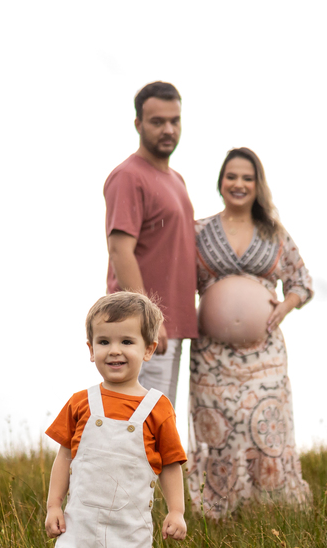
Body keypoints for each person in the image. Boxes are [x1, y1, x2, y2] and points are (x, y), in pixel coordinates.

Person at [41, 292, 188, 548]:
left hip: (128, 534)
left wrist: (177, 510)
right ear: (90, 349)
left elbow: (170, 464)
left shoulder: (157, 407)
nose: (114, 351)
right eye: (104, 342)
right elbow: (64, 457)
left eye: (127, 341)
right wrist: (54, 505)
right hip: (77, 527)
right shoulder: (81, 402)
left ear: (149, 349)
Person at [189, 148, 314, 518]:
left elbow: (302, 281)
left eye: (247, 177)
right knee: (218, 433)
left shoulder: (274, 232)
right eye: (232, 176)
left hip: (265, 354)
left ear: (258, 185)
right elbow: (179, 281)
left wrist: (285, 306)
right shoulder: (197, 231)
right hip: (211, 357)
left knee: (265, 429)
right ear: (220, 182)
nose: (239, 184)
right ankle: (218, 514)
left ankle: (269, 513)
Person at [103, 81, 197, 408]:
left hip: (171, 326)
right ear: (138, 124)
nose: (168, 129)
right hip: (140, 328)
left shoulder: (176, 180)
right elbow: (120, 251)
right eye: (158, 122)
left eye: (175, 120)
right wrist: (148, 323)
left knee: (159, 422)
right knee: (136, 424)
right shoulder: (128, 176)